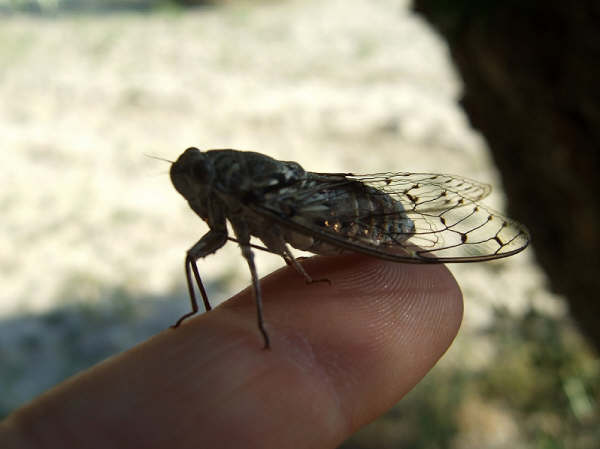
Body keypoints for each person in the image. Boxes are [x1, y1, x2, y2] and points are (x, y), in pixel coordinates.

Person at [0, 254, 463, 448]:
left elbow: (253, 249)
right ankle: (202, 312)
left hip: (316, 214)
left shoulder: (243, 198)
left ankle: (247, 312)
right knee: (194, 255)